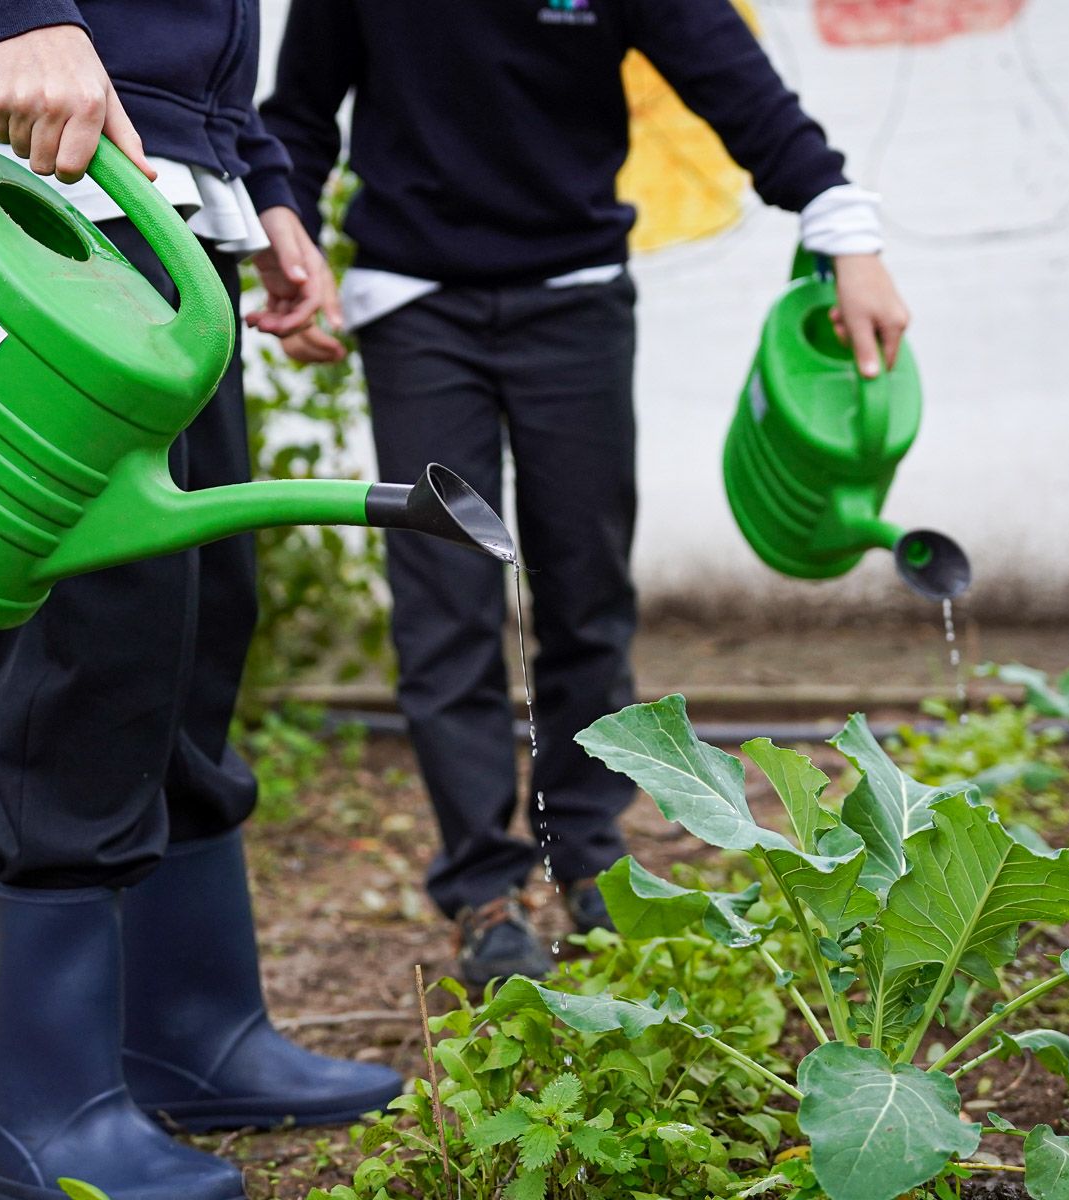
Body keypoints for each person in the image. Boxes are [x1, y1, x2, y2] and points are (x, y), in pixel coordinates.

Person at [261, 0, 912, 987]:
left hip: (575, 298)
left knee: (584, 585)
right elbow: (301, 109)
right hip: (412, 305)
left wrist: (844, 227)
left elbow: (729, 78)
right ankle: (483, 890)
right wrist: (290, 240)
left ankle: (587, 852)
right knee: (447, 600)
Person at [0, 3, 399, 1198]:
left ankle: (192, 1035)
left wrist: (255, 182)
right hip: (35, 175)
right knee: (87, 649)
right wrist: (22, 12)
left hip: (163, 185)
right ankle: (51, 1118)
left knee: (196, 624)